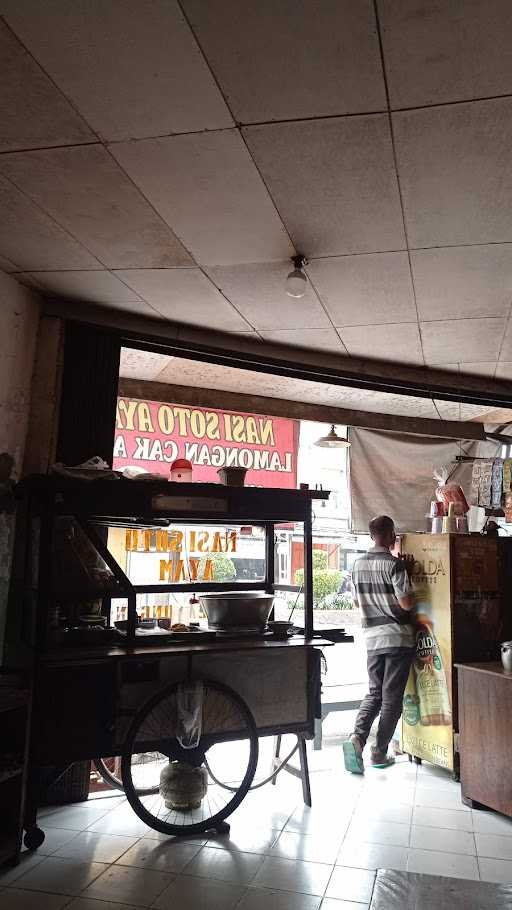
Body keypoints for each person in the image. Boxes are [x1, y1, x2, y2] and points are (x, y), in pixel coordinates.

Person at [343, 515, 415, 773]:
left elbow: (355, 602)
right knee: (391, 698)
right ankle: (379, 751)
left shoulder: (356, 565)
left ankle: (357, 738)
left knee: (374, 693)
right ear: (389, 534)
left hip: (372, 640)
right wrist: (410, 574)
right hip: (397, 638)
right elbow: (407, 603)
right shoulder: (394, 565)